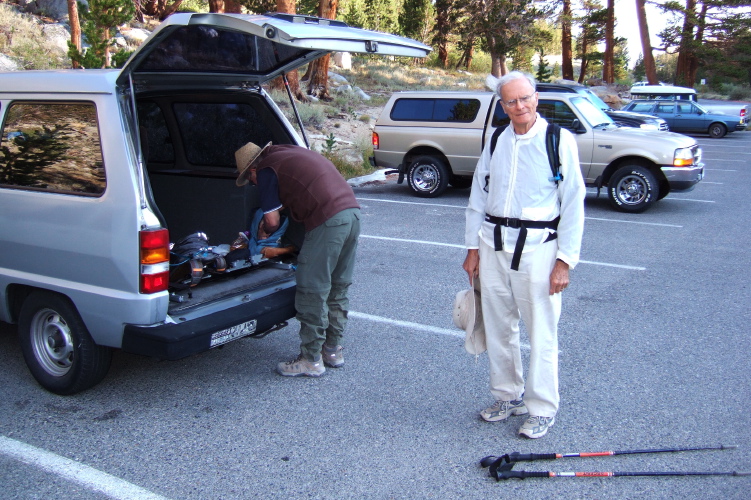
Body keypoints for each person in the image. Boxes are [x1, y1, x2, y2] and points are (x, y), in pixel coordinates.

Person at [462, 71, 585, 438]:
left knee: (542, 332)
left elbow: (574, 202)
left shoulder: (558, 140)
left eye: (525, 98)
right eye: (511, 101)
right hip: (493, 245)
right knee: (499, 328)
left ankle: (542, 408)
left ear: (537, 98)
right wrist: (472, 249)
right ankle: (507, 396)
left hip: (537, 250)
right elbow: (478, 195)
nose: (520, 107)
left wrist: (565, 261)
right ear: (502, 105)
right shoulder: (498, 138)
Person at [235, 141, 361, 377]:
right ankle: (332, 350)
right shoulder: (288, 153)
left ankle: (310, 359)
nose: (254, 184)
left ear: (252, 170)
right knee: (338, 285)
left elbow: (271, 221)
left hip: (328, 221)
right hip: (352, 214)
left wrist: (264, 230)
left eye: (249, 180)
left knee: (312, 288)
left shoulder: (265, 170)